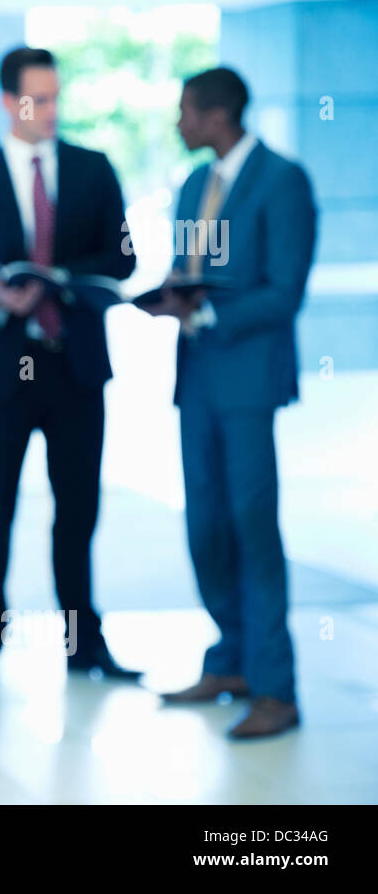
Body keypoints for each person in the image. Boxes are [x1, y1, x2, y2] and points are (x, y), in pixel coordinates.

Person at [0, 46, 139, 689]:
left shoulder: (93, 169)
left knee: (77, 512)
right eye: (39, 99)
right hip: (5, 376)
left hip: (75, 370)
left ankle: (84, 648)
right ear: (9, 101)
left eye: (57, 97)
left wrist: (60, 282)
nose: (51, 109)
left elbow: (124, 260)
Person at [143, 66, 315, 739]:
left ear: (217, 116)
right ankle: (231, 660)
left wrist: (211, 315)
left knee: (252, 525)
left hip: (248, 379)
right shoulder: (193, 185)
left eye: (185, 112)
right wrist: (171, 296)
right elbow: (193, 273)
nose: (179, 124)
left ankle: (276, 687)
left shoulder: (282, 181)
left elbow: (284, 290)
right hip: (198, 380)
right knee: (206, 525)